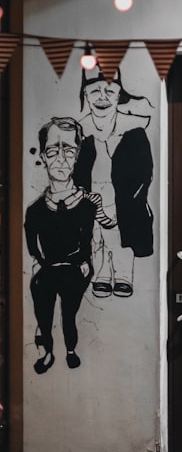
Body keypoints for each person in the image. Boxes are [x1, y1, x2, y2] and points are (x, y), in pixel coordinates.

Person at [25, 117, 114, 373]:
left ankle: (71, 348)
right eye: (53, 151)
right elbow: (33, 246)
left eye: (69, 150)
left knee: (68, 314)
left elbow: (107, 227)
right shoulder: (36, 209)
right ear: (43, 156)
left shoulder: (88, 203)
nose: (61, 159)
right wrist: (39, 266)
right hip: (48, 268)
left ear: (77, 157)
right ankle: (47, 352)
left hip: (76, 268)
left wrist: (86, 263)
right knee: (43, 307)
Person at [73, 67, 155, 299]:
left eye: (110, 91)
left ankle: (122, 275)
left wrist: (125, 208)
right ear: (85, 95)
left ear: (119, 96)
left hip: (125, 198)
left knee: (122, 234)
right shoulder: (79, 133)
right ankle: (100, 273)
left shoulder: (135, 131)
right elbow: (74, 173)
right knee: (95, 235)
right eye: (95, 91)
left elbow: (144, 175)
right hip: (91, 196)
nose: (102, 97)